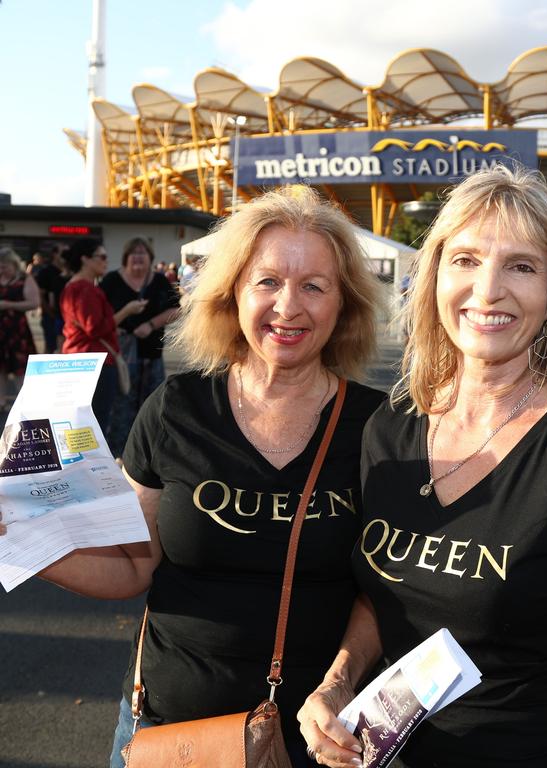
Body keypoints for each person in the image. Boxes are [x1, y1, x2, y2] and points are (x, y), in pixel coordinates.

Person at [2, 187, 383, 768]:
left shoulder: (380, 427)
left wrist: (338, 682)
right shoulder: (175, 407)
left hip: (314, 740)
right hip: (171, 734)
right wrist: (16, 538)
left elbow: (385, 590)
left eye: (314, 285)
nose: (289, 306)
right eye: (267, 281)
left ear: (344, 305)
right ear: (231, 294)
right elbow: (131, 564)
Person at [298, 165, 547, 768]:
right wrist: (336, 682)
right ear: (434, 276)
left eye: (521, 265)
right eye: (465, 260)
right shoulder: (391, 428)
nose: (488, 291)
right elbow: (384, 594)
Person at [99, 237, 180, 456]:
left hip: (151, 354)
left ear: (150, 258)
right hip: (120, 356)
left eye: (142, 253)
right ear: (125, 258)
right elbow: (99, 316)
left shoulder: (160, 281)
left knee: (151, 407)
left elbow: (176, 310)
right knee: (119, 407)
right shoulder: (111, 281)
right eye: (133, 253)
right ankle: (117, 455)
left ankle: (145, 455)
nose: (137, 257)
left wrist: (151, 324)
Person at [60, 239, 144, 439]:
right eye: (102, 256)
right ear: (85, 259)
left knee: (83, 423)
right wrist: (126, 311)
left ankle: (82, 465)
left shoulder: (73, 287)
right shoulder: (85, 288)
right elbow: (94, 328)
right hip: (95, 362)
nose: (106, 261)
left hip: (82, 358)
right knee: (96, 422)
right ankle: (91, 468)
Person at [0, 247, 39, 415]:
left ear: (14, 264)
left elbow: (34, 302)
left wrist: (9, 305)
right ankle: (1, 402)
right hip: (1, 330)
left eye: (4, 266)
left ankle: (25, 404)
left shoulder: (24, 279)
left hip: (17, 330)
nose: (2, 270)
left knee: (21, 369)